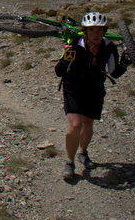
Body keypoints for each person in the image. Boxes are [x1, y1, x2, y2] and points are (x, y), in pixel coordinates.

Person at [55, 11, 130, 180]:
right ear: (85, 31)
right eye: (92, 30)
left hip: (94, 88)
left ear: (104, 31)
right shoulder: (75, 45)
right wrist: (66, 57)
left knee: (87, 124)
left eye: (99, 30)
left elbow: (114, 72)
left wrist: (125, 63)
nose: (95, 34)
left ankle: (83, 152)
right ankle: (69, 162)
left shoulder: (109, 47)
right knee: (75, 125)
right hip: (73, 88)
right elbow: (59, 71)